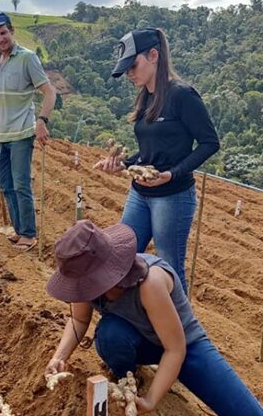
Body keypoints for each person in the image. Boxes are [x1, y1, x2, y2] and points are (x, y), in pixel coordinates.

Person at [44, 220, 263, 416]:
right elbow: (79, 319)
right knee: (109, 335)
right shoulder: (86, 286)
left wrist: (151, 400)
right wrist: (59, 356)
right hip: (137, 341)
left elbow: (175, 349)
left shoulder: (150, 282)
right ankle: (128, 374)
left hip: (184, 345)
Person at [94, 28, 219, 291]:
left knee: (169, 267)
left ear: (153, 55)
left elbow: (210, 143)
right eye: (126, 68)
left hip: (172, 196)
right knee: (122, 255)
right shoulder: (146, 98)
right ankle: (135, 321)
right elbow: (150, 153)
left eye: (133, 65)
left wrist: (173, 173)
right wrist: (125, 165)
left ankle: (182, 329)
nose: (129, 73)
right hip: (140, 194)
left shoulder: (182, 95)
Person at [0, 11, 57, 251]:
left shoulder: (27, 58)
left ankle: (28, 233)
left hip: (22, 132)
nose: (0, 38)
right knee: (5, 184)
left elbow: (50, 92)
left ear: (12, 31)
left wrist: (42, 121)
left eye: (3, 33)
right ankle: (18, 230)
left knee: (20, 184)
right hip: (2, 133)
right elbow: (1, 93)